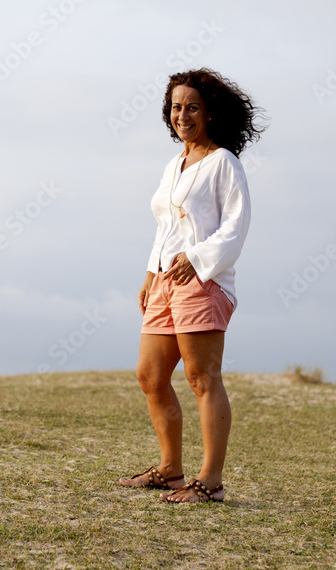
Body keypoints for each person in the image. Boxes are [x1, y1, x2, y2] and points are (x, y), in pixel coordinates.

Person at [118, 68, 265, 503]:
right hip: (164, 280)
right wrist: (150, 273)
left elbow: (236, 229)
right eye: (176, 107)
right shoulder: (174, 164)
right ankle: (169, 470)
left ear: (210, 113)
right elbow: (166, 226)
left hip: (203, 281)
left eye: (192, 107)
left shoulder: (224, 163)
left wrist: (196, 260)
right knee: (149, 375)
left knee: (202, 378)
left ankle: (211, 481)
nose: (183, 114)